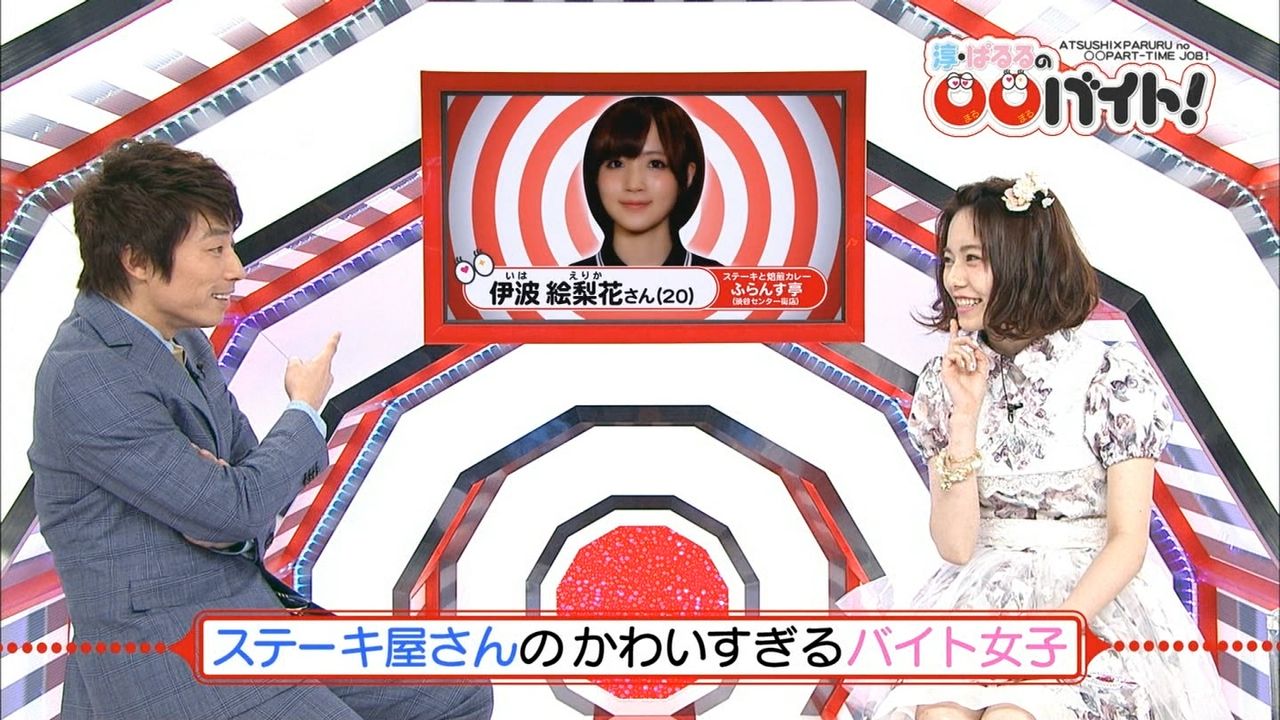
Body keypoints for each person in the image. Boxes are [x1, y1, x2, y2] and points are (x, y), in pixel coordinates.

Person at [28, 140, 492, 720]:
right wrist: (303, 412)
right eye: (215, 249)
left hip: (244, 611)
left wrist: (232, 512)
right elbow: (240, 500)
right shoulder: (84, 373)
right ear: (137, 261)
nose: (236, 269)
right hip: (168, 648)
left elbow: (253, 490)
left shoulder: (185, 341)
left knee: (458, 691)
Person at [841, 174, 1231, 720]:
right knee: (936, 714)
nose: (954, 278)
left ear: (1025, 261)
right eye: (949, 259)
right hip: (979, 596)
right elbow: (955, 546)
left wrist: (1054, 635)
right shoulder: (943, 380)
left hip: (1090, 604)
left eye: (973, 259)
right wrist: (964, 417)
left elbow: (1128, 540)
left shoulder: (1108, 374)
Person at [573, 96, 721, 267]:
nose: (634, 185)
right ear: (595, 175)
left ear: (688, 175)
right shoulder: (566, 281)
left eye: (655, 164)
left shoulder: (715, 278)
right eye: (616, 164)